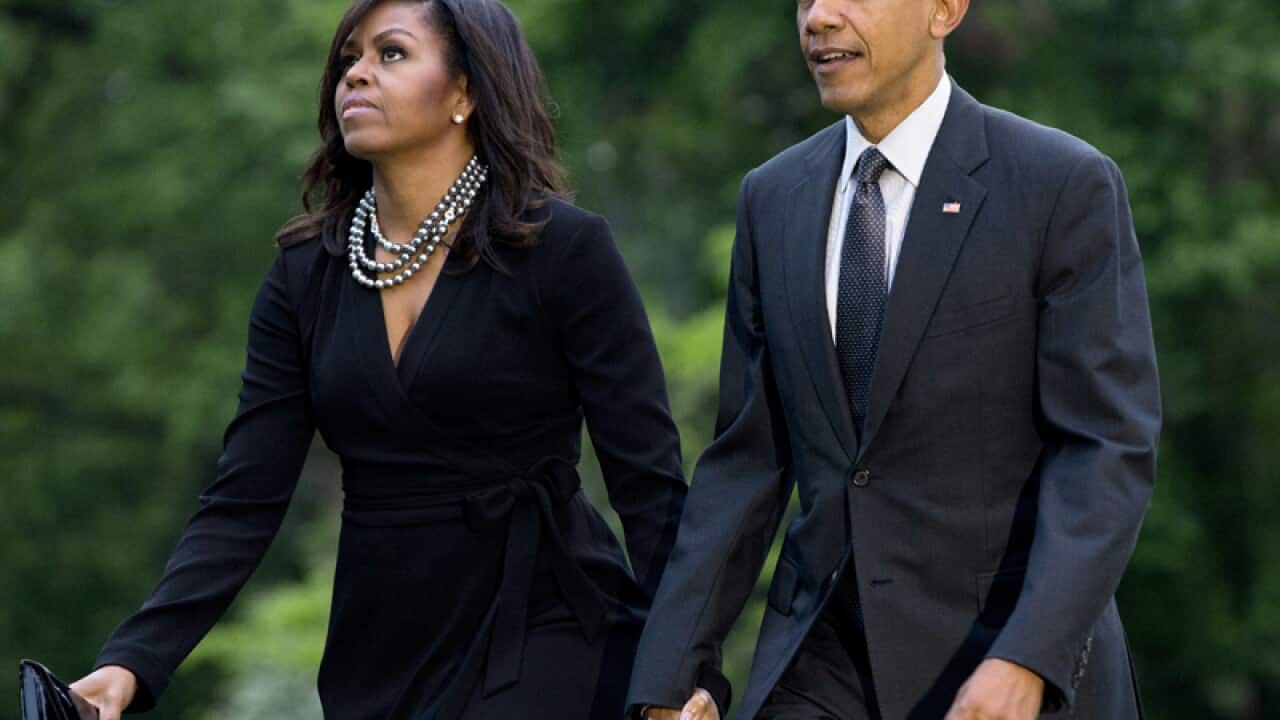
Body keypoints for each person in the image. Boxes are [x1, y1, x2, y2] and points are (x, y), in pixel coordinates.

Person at [69, 1, 688, 718]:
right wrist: (132, 661)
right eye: (348, 59)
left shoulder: (563, 251)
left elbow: (649, 484)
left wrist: (682, 669)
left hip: (546, 623)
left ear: (465, 92)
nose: (356, 74)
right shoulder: (305, 275)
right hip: (381, 646)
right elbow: (243, 501)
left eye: (390, 53)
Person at [627, 0, 1161, 718]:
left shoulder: (1061, 185)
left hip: (1002, 659)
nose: (819, 17)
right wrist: (672, 675)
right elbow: (746, 461)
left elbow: (1106, 446)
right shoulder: (771, 198)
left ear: (945, 10)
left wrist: (1029, 654)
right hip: (820, 659)